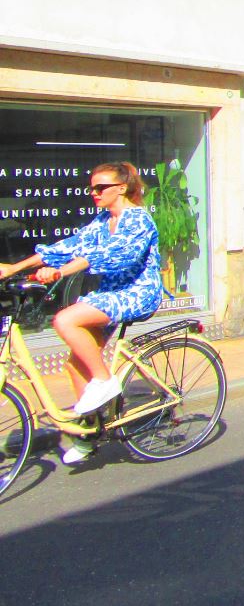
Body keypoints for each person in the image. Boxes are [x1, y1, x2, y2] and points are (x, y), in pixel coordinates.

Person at [0, 162, 163, 465]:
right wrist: (15, 267)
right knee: (75, 365)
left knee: (65, 318)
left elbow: (110, 255)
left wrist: (61, 272)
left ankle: (105, 380)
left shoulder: (138, 220)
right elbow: (70, 245)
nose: (94, 193)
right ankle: (88, 435)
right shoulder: (103, 220)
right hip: (109, 294)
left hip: (138, 292)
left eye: (101, 187)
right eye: (91, 188)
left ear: (122, 188)